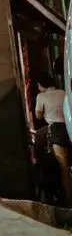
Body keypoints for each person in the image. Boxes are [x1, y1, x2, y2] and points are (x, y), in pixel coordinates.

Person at [33, 74, 72, 203]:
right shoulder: (63, 92)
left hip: (56, 131)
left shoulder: (41, 96)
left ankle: (69, 199)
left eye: (38, 85)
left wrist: (43, 112)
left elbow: (38, 115)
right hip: (69, 126)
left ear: (42, 85)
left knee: (64, 166)